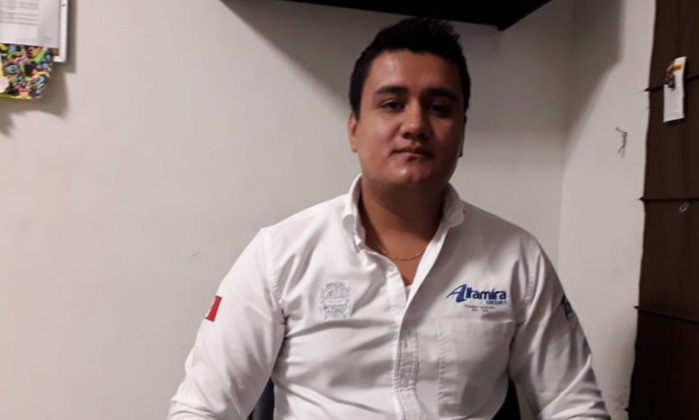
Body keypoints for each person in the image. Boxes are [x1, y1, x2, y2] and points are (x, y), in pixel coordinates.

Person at [167, 17, 609, 420]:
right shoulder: (279, 255)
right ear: (354, 129)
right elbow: (202, 409)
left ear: (461, 136)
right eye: (393, 104)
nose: (415, 125)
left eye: (439, 108)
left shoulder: (517, 257)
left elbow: (573, 405)